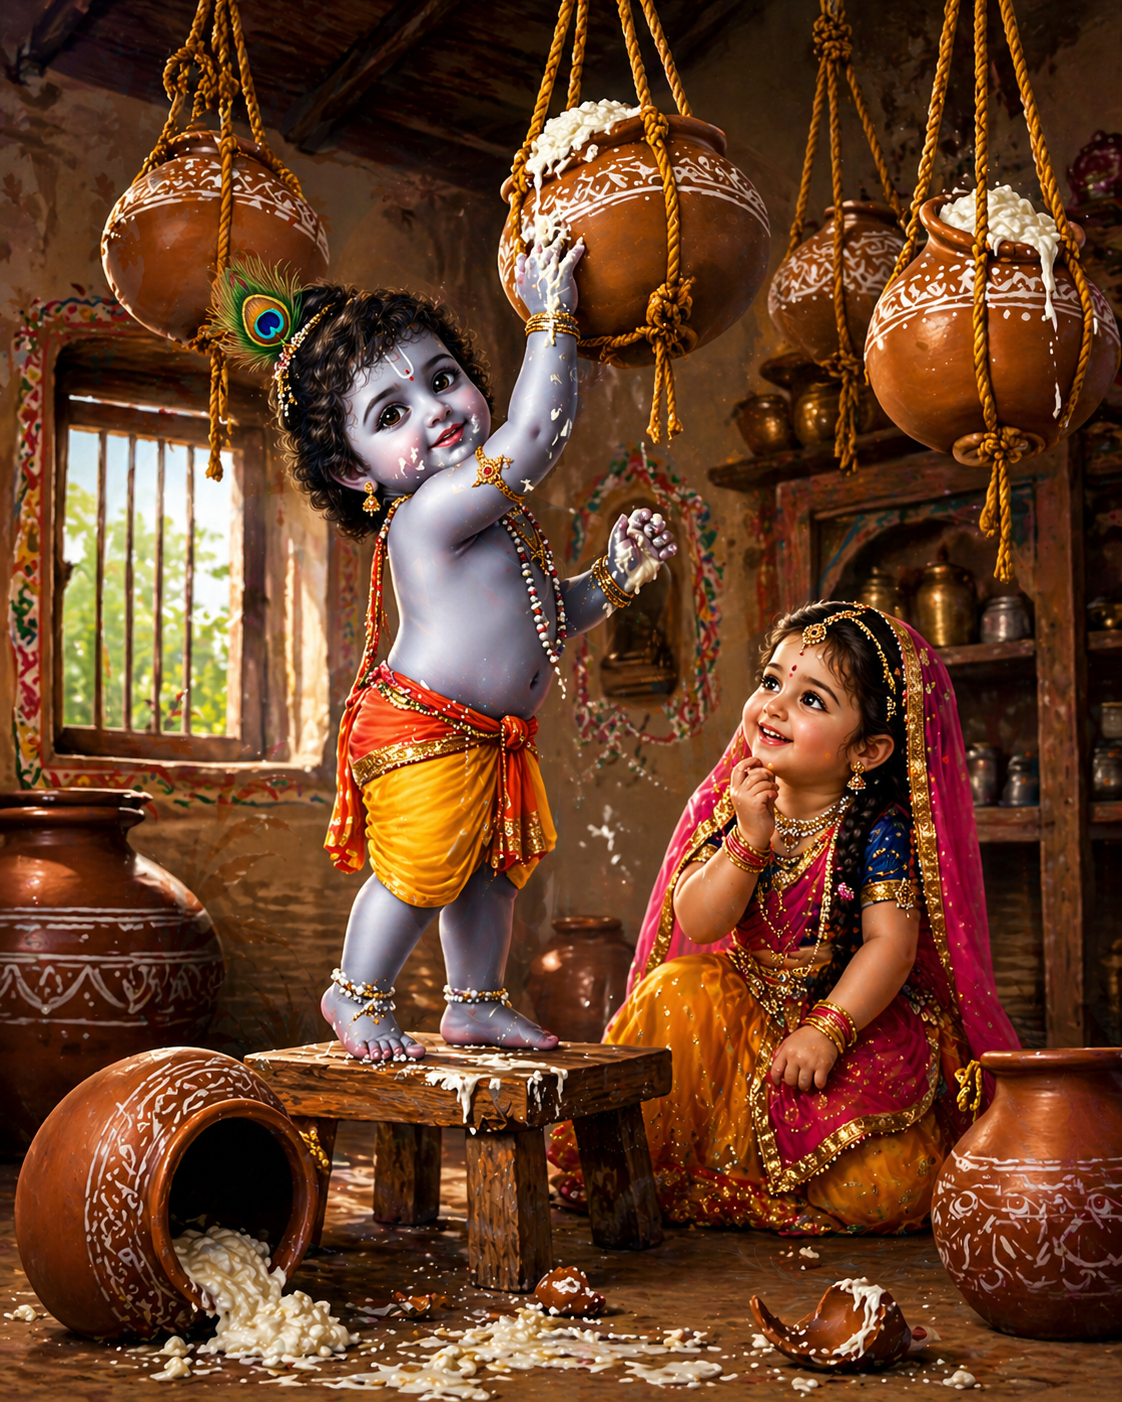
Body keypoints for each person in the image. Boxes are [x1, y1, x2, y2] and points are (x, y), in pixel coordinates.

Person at [210, 236, 676, 1064]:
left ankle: (475, 1004)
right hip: (428, 732)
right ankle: (353, 994)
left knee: (490, 874)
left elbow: (547, 618)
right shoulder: (428, 514)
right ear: (357, 475)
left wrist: (613, 577)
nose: (434, 411)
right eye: (390, 415)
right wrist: (552, 320)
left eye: (441, 377)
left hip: (486, 737)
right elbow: (533, 435)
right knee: (418, 875)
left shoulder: (492, 522)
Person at [550, 600, 1020, 1234]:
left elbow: (891, 947)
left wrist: (827, 1029)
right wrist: (747, 840)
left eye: (812, 700)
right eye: (771, 682)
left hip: (851, 1019)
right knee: (673, 992)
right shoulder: (738, 803)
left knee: (888, 1190)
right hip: (743, 1010)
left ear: (870, 749)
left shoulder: (880, 832)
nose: (773, 705)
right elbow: (699, 918)